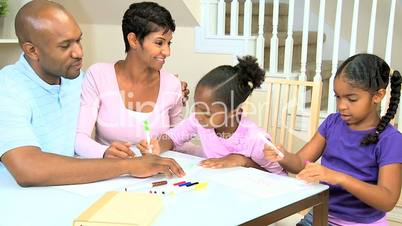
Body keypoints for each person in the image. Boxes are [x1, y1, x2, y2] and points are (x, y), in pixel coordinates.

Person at [0, 0, 185, 187]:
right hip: (19, 199)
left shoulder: (76, 78)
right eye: (65, 46)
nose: (79, 53)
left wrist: (172, 89)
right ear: (32, 50)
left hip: (72, 189)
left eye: (78, 40)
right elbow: (28, 169)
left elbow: (114, 86)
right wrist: (128, 165)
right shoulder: (7, 88)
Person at [265, 54, 402, 225]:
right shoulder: (332, 123)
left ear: (378, 96)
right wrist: (283, 157)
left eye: (351, 98)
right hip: (320, 214)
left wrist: (339, 178)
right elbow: (300, 162)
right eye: (338, 97)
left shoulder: (390, 140)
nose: (341, 105)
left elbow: (387, 199)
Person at [75, 1, 198, 159]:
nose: (167, 52)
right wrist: (104, 152)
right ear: (133, 40)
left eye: (169, 43)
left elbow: (178, 139)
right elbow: (79, 138)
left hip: (157, 175)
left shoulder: (172, 84)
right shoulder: (98, 75)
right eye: (159, 43)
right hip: (113, 175)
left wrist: (216, 154)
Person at [137, 56, 286, 174]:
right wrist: (157, 146)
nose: (199, 116)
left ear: (233, 112)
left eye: (207, 113)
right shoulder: (199, 120)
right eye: (197, 107)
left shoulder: (255, 139)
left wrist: (243, 161)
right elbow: (173, 137)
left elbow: (278, 177)